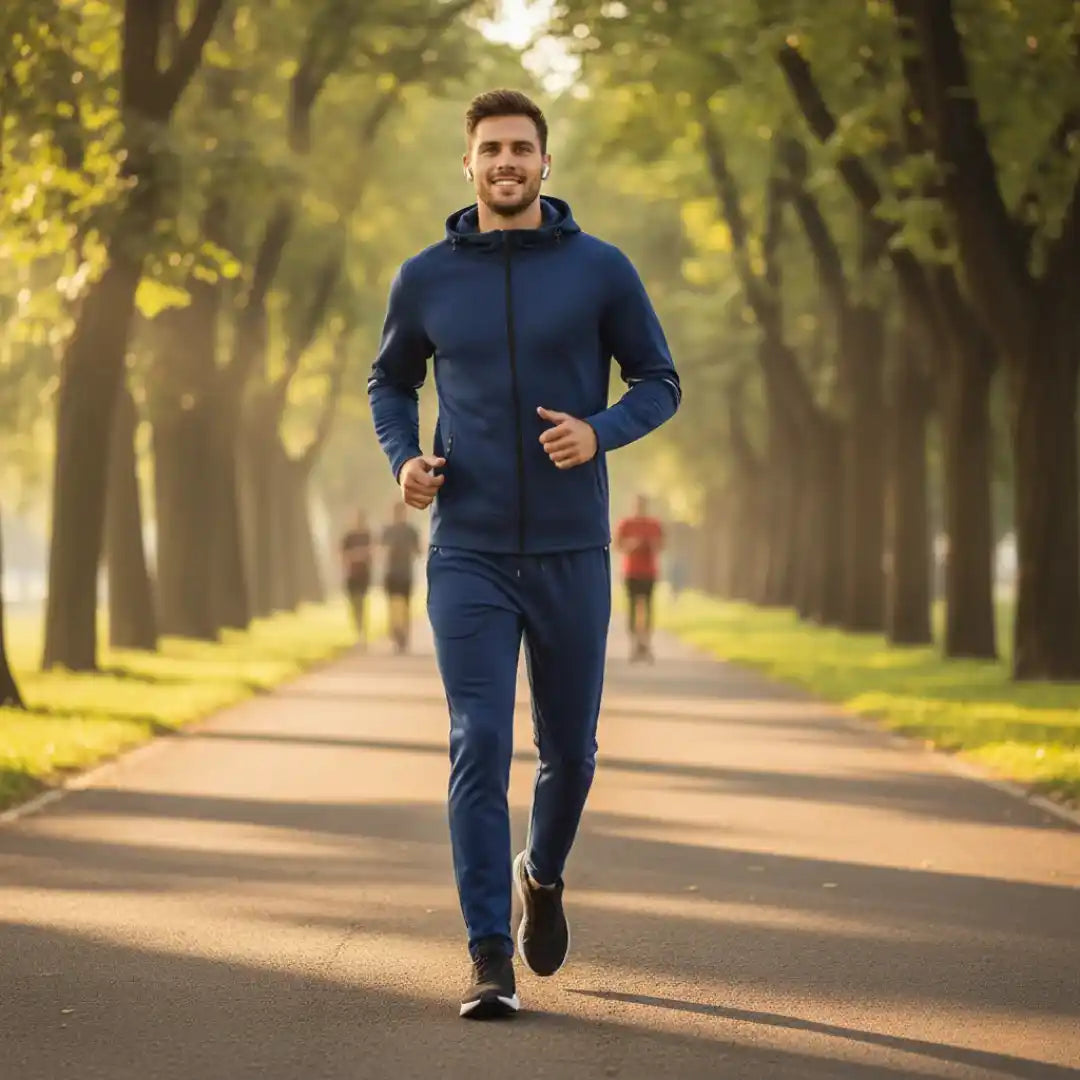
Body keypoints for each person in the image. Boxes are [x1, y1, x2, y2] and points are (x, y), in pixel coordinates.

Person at [367, 88, 681, 1020]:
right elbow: (390, 381)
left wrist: (601, 429)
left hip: (573, 549)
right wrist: (406, 461)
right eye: (491, 149)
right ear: (468, 164)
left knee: (571, 756)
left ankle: (539, 874)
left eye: (522, 148)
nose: (506, 162)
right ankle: (487, 953)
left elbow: (660, 381)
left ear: (547, 162)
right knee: (477, 739)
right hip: (466, 549)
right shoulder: (425, 277)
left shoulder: (602, 271)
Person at [615, 495, 664, 662]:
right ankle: (634, 644)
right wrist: (633, 545)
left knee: (648, 608)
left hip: (649, 572)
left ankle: (646, 643)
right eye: (637, 505)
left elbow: (661, 545)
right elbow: (617, 546)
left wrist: (649, 544)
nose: (640, 508)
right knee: (632, 608)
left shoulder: (654, 524)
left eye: (642, 505)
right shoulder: (626, 524)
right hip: (631, 572)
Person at [380, 501, 421, 653]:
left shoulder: (411, 531)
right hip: (391, 572)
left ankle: (404, 636)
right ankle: (396, 634)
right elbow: (381, 550)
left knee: (404, 606)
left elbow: (419, 551)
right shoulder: (388, 531)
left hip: (406, 572)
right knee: (392, 606)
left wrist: (412, 550)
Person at [340, 510, 373, 647]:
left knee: (362, 603)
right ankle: (358, 632)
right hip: (351, 574)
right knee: (354, 604)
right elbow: (342, 555)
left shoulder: (366, 535)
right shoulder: (348, 537)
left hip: (364, 574)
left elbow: (371, 553)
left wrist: (358, 555)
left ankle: (362, 634)